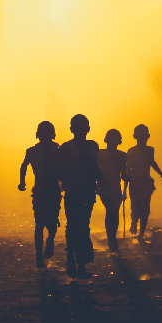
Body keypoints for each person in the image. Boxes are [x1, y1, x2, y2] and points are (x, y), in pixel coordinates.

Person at [59, 113, 101, 277]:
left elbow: (60, 170)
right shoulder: (92, 146)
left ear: (71, 129)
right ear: (88, 129)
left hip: (76, 191)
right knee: (83, 225)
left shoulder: (66, 147)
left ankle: (73, 260)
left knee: (74, 225)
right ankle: (80, 263)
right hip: (84, 191)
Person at [18, 121, 63, 268]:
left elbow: (23, 167)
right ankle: (46, 246)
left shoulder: (32, 151)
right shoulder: (57, 149)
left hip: (42, 191)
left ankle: (41, 253)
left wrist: (22, 183)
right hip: (51, 191)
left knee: (41, 223)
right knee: (49, 221)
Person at [124, 123, 162, 239]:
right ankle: (134, 222)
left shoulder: (149, 150)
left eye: (144, 136)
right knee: (135, 207)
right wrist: (124, 189)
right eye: (140, 136)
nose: (142, 138)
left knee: (145, 209)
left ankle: (141, 234)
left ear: (148, 136)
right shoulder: (131, 151)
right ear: (135, 137)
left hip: (145, 183)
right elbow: (128, 169)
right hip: (135, 182)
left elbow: (152, 163)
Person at [96, 128, 127, 253]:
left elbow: (124, 175)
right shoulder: (122, 155)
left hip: (108, 186)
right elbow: (124, 176)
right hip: (110, 186)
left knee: (112, 212)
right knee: (112, 211)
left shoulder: (100, 154)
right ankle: (111, 238)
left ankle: (111, 238)